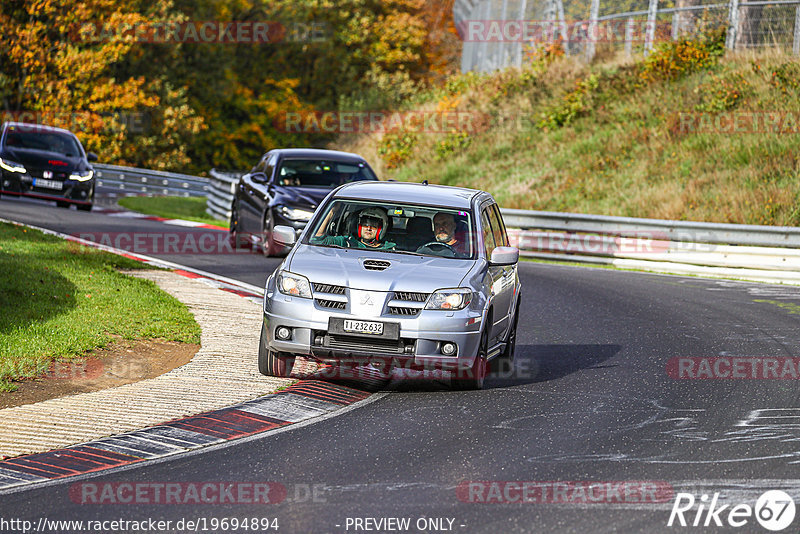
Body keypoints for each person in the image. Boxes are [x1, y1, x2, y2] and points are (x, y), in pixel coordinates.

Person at [312, 206, 396, 250]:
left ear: (382, 228)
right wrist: (331, 212)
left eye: (374, 226)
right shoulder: (346, 243)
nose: (368, 228)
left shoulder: (391, 248)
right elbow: (319, 239)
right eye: (365, 224)